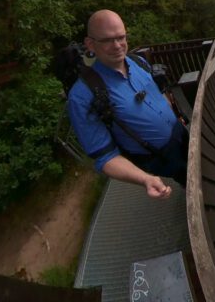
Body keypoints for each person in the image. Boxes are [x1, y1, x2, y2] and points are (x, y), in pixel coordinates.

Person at [66, 10, 188, 200]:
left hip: (182, 134)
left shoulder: (137, 61)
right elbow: (105, 157)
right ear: (90, 44)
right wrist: (145, 179)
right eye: (107, 40)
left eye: (121, 37)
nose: (117, 46)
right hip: (160, 158)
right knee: (192, 181)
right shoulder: (82, 95)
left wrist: (177, 117)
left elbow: (159, 93)